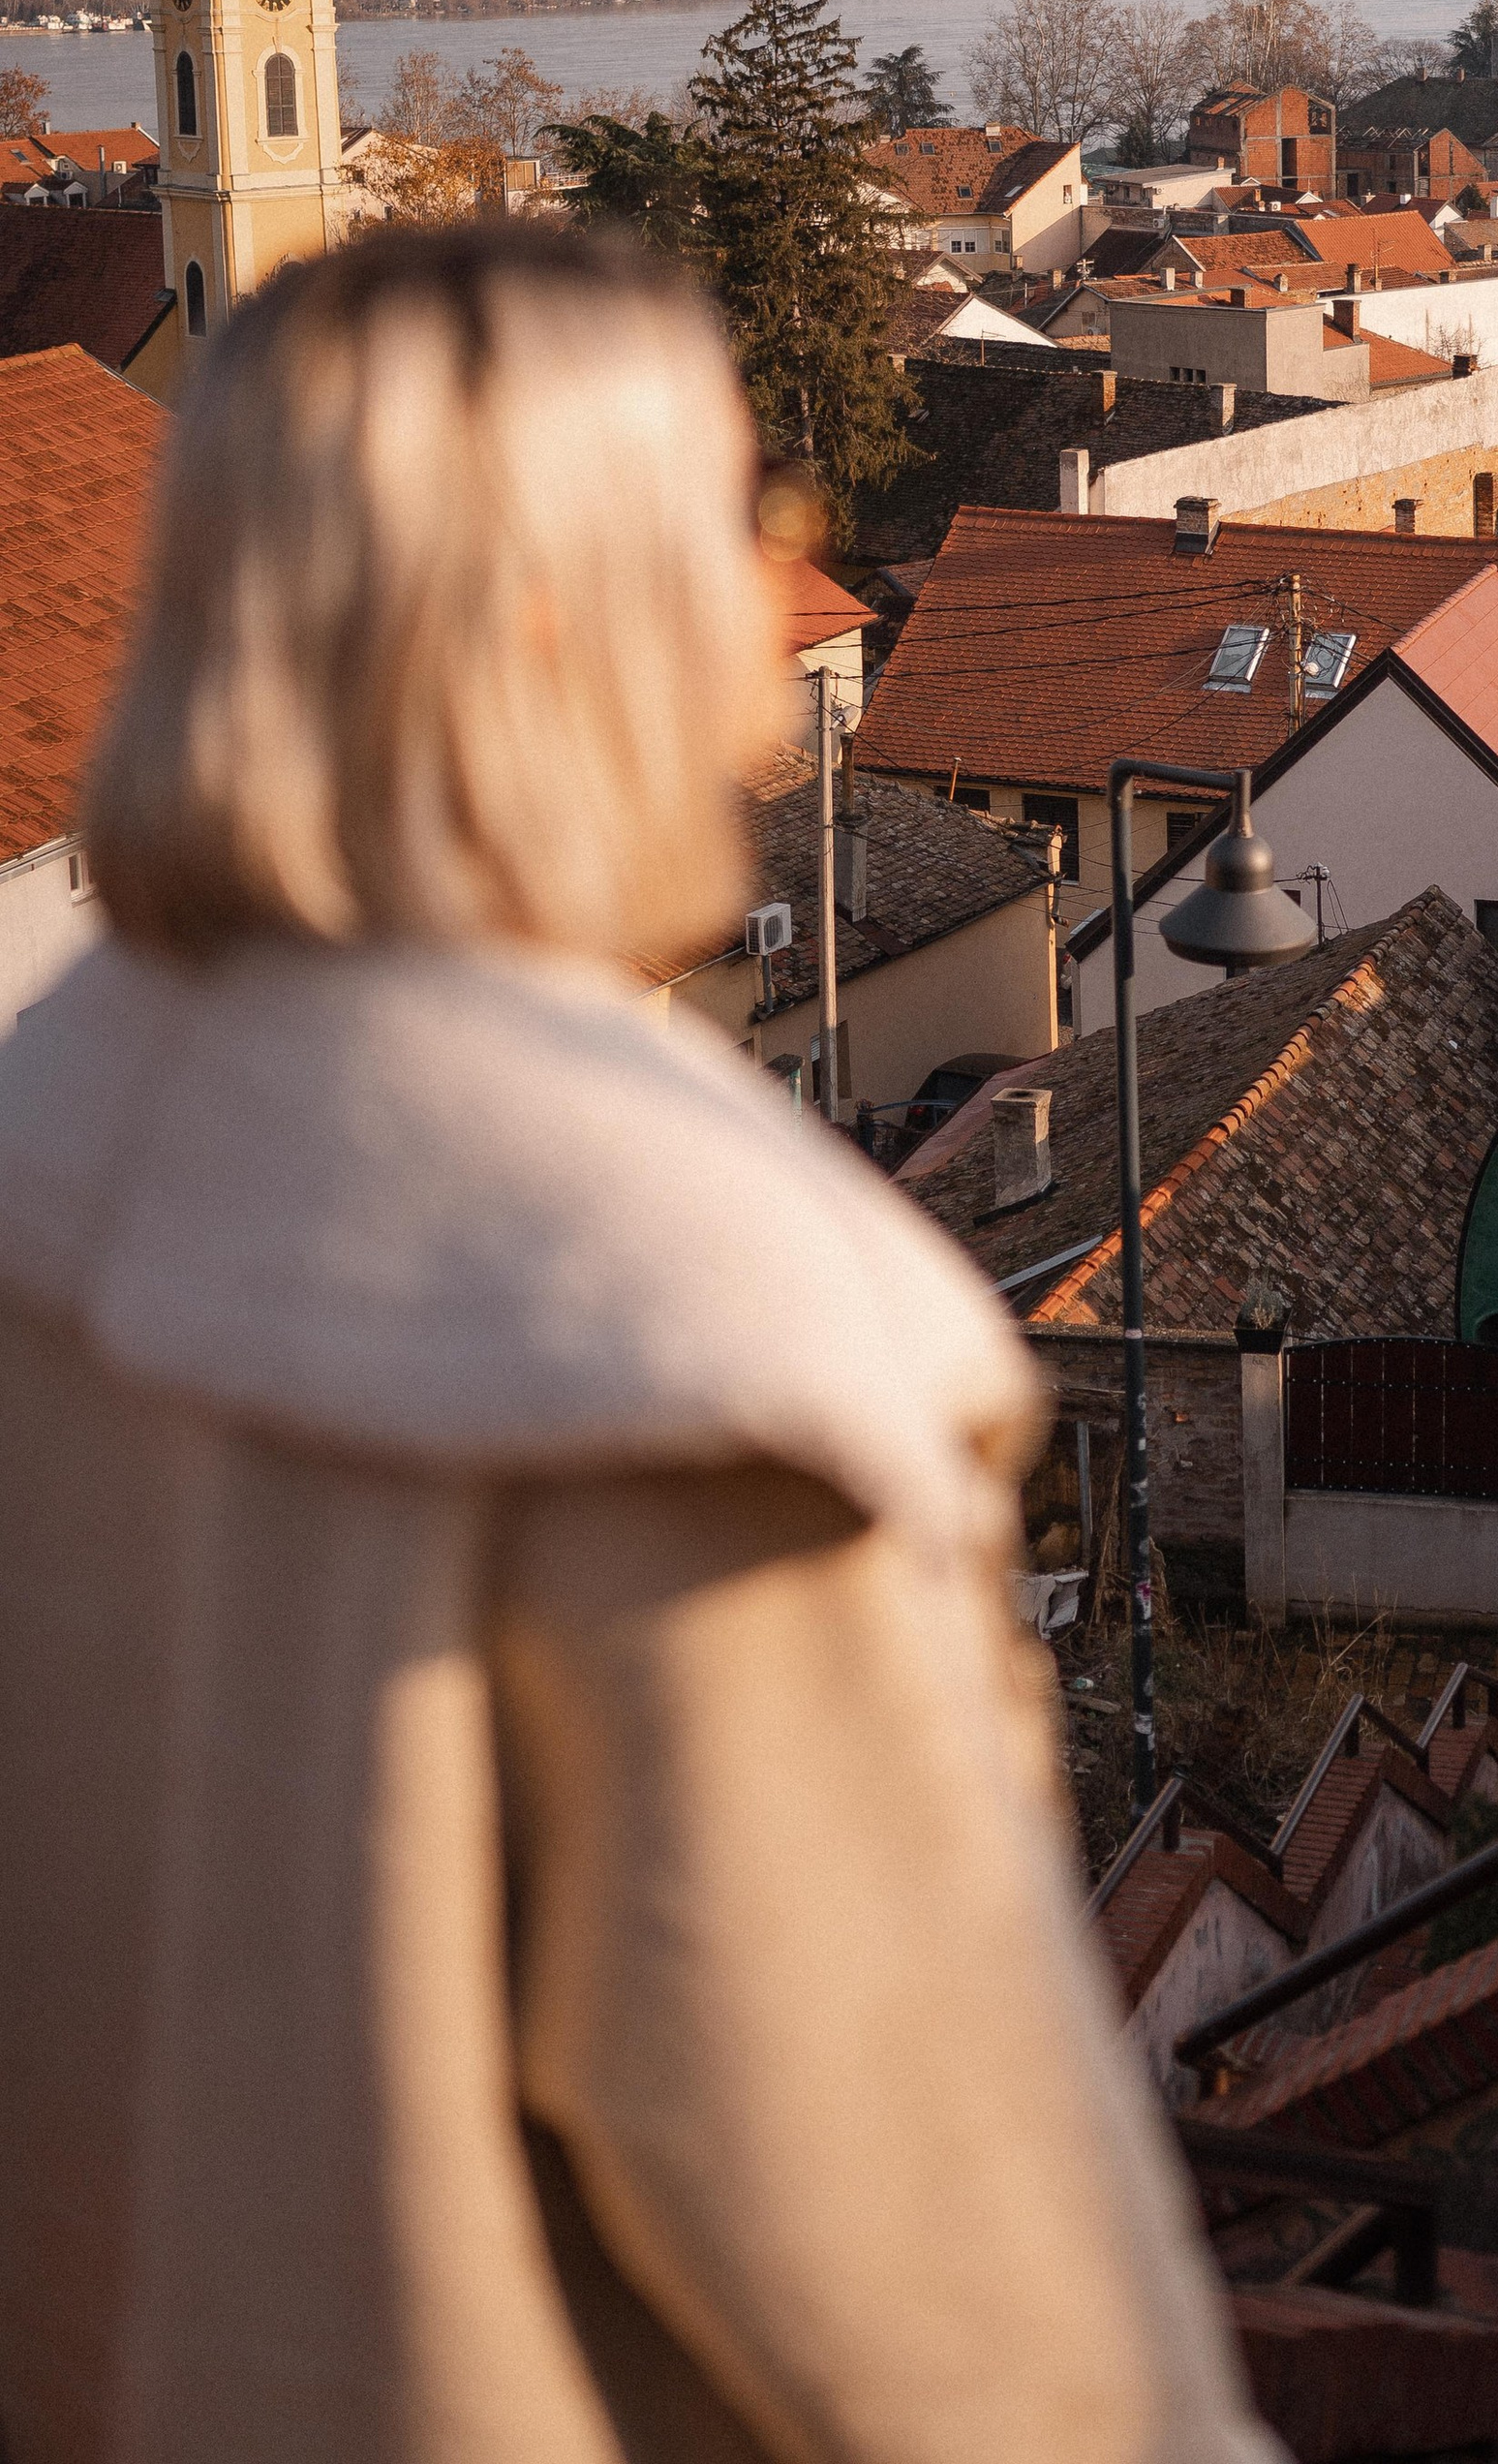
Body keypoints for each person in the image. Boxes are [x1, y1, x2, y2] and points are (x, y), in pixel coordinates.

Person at [0, 222, 1275, 2464]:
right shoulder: (694, 1343)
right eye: (738, 517)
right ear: (548, 626)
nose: (789, 589)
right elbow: (944, 2283)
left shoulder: (52, 1128)